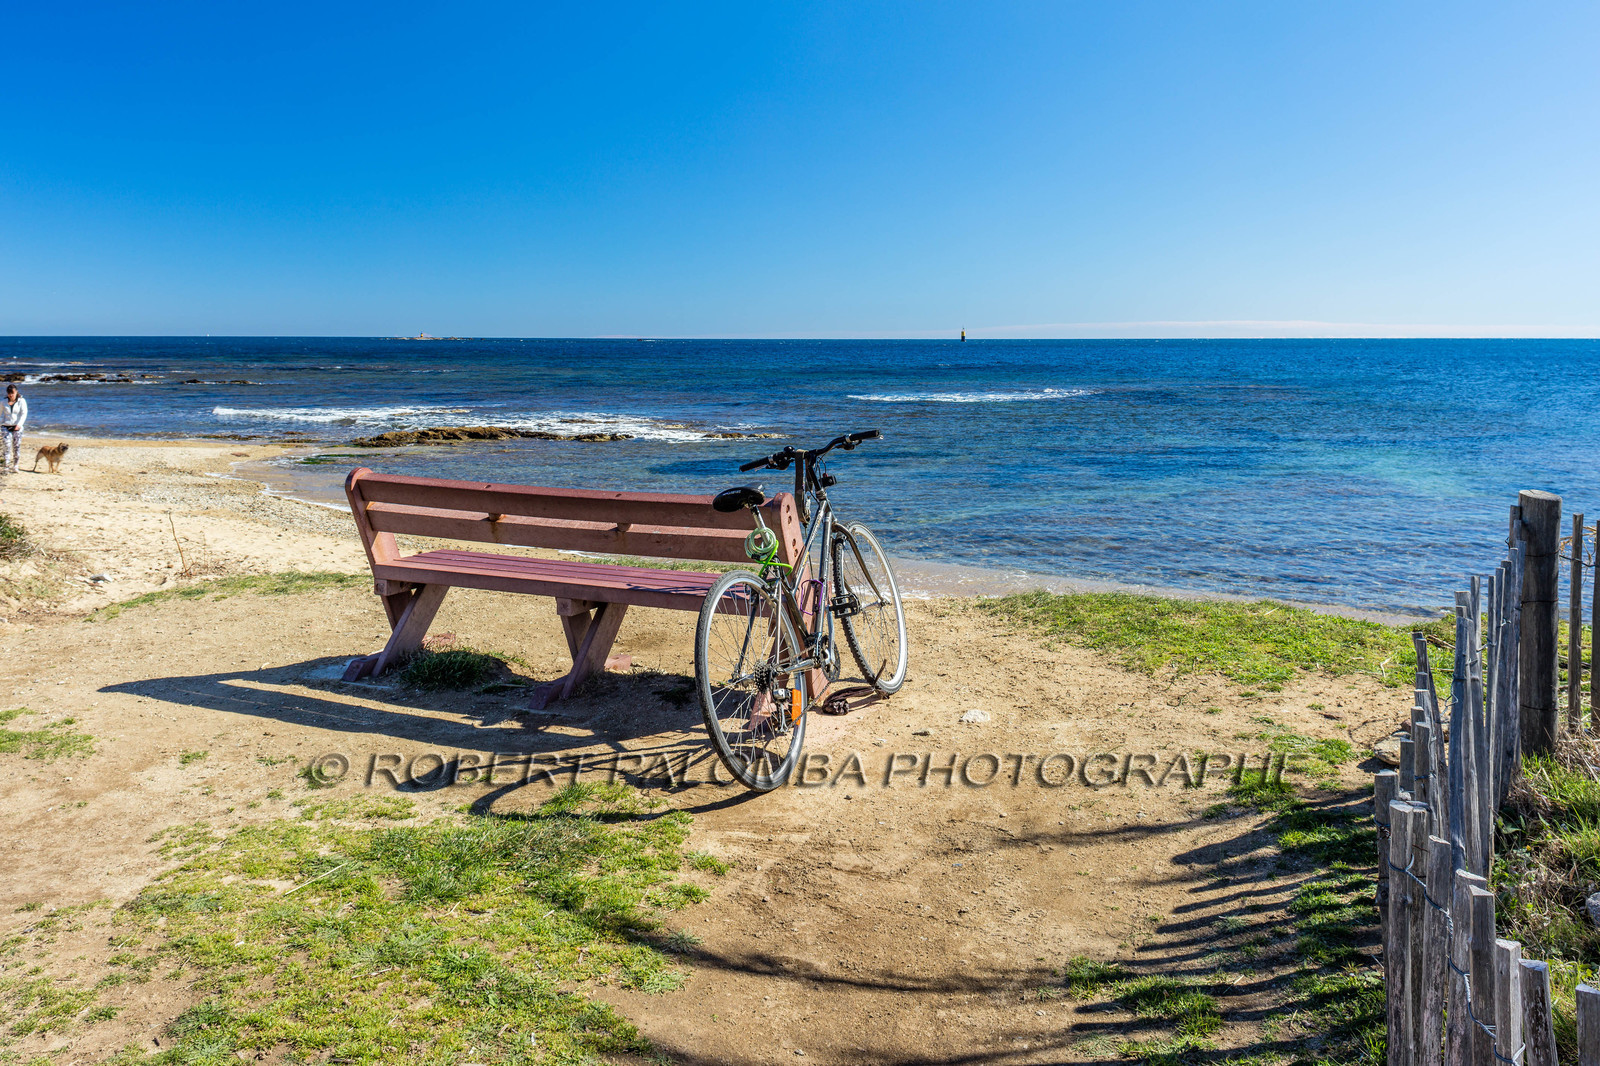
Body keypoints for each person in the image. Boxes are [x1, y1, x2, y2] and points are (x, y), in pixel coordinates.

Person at [2, 385, 27, 474]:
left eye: (12, 393)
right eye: (9, 393)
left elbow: (24, 414)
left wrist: (19, 425)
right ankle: (6, 466)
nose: (11, 395)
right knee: (7, 446)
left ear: (16, 392)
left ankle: (15, 465)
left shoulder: (22, 401)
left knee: (16, 447)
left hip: (17, 427)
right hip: (6, 426)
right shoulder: (3, 402)